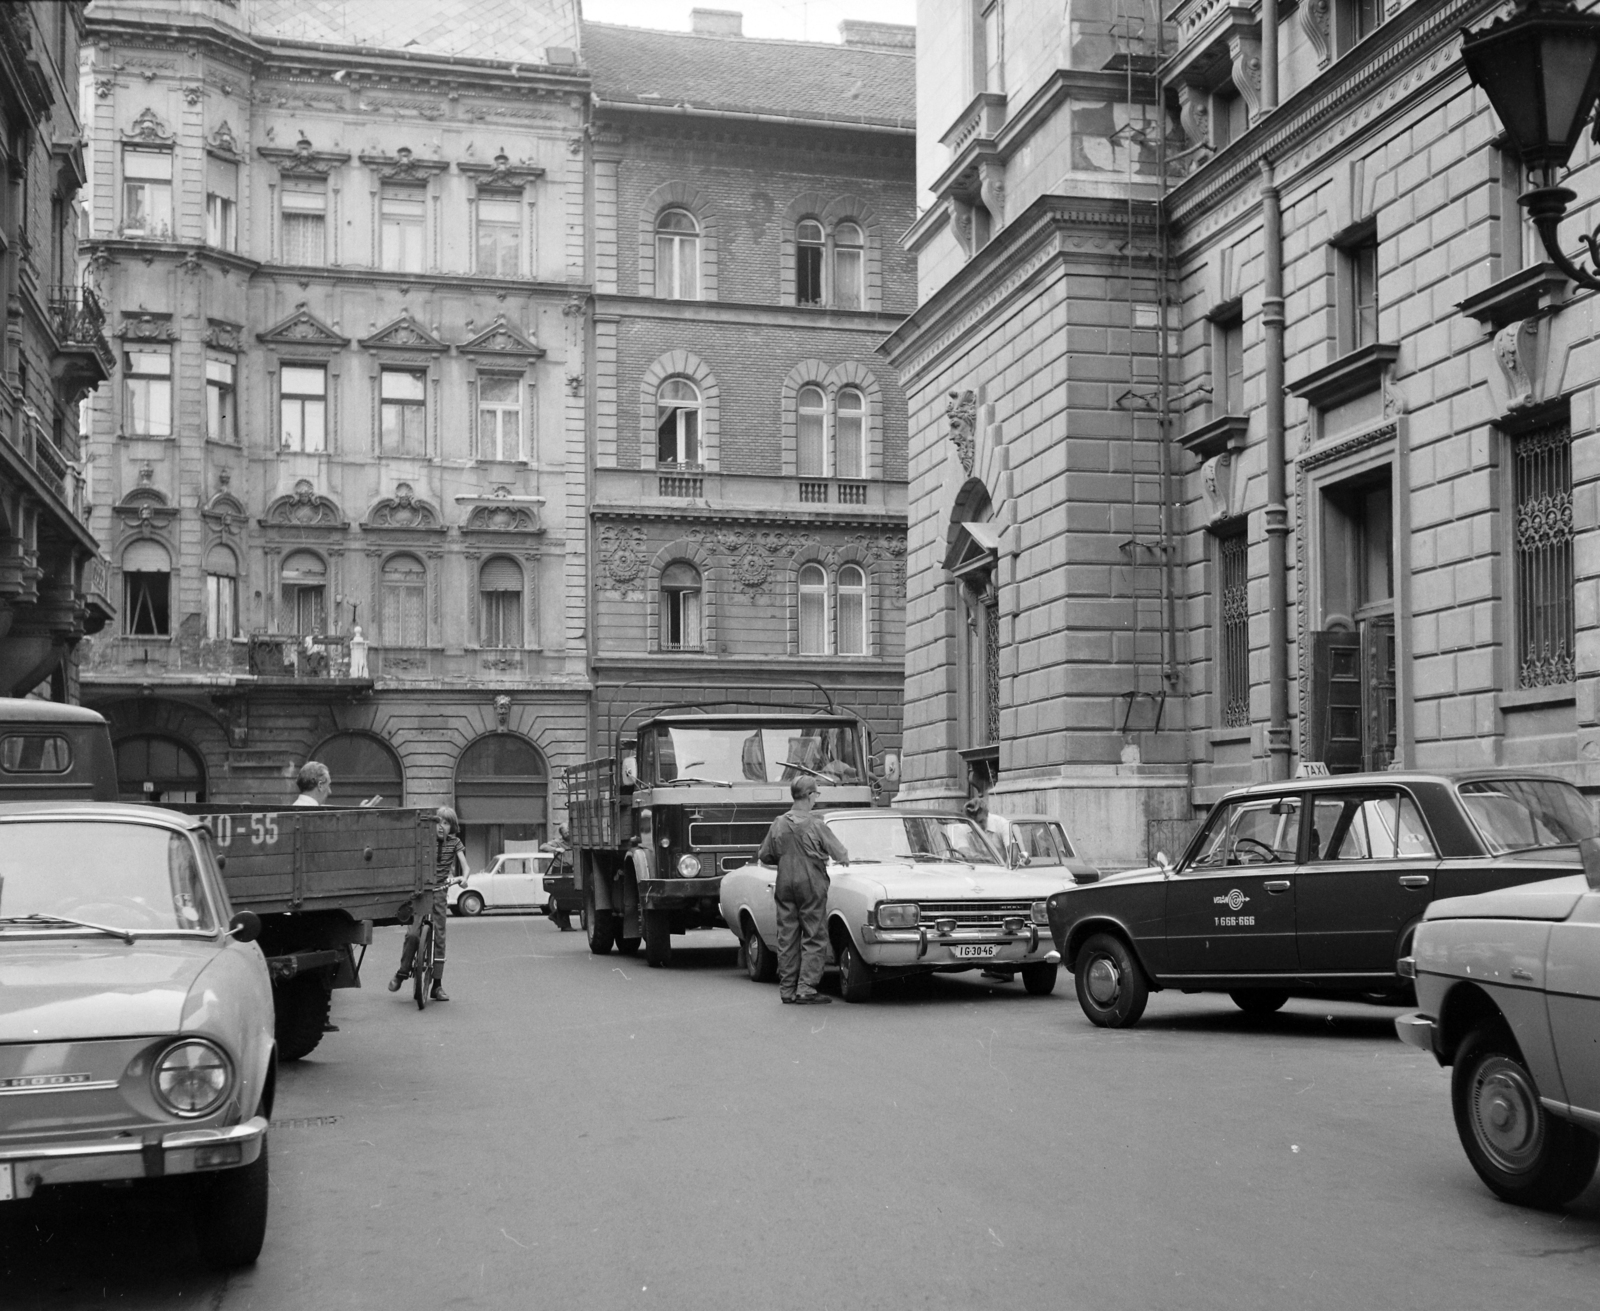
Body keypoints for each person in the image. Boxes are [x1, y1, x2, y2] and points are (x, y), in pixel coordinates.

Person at [757, 775, 849, 1005]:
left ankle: (787, 990)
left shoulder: (778, 823)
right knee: (815, 935)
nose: (816, 799)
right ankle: (806, 988)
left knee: (787, 936)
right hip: (811, 883)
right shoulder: (816, 825)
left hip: (785, 883)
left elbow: (765, 854)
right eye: (816, 794)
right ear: (808, 796)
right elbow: (841, 854)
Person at [389, 806, 467, 1002]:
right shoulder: (424, 842)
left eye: (446, 823)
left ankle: (437, 985)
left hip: (440, 892)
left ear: (452, 826)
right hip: (422, 893)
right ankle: (402, 972)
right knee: (413, 933)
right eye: (438, 822)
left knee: (440, 936)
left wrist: (463, 878)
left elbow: (465, 867)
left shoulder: (455, 843)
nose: (441, 827)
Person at [965, 793, 1014, 863]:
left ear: (986, 814)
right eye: (974, 824)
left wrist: (1007, 870)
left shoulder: (1002, 824)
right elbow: (962, 852)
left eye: (981, 821)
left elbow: (1012, 852)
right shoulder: (965, 826)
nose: (977, 827)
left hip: (1000, 869)